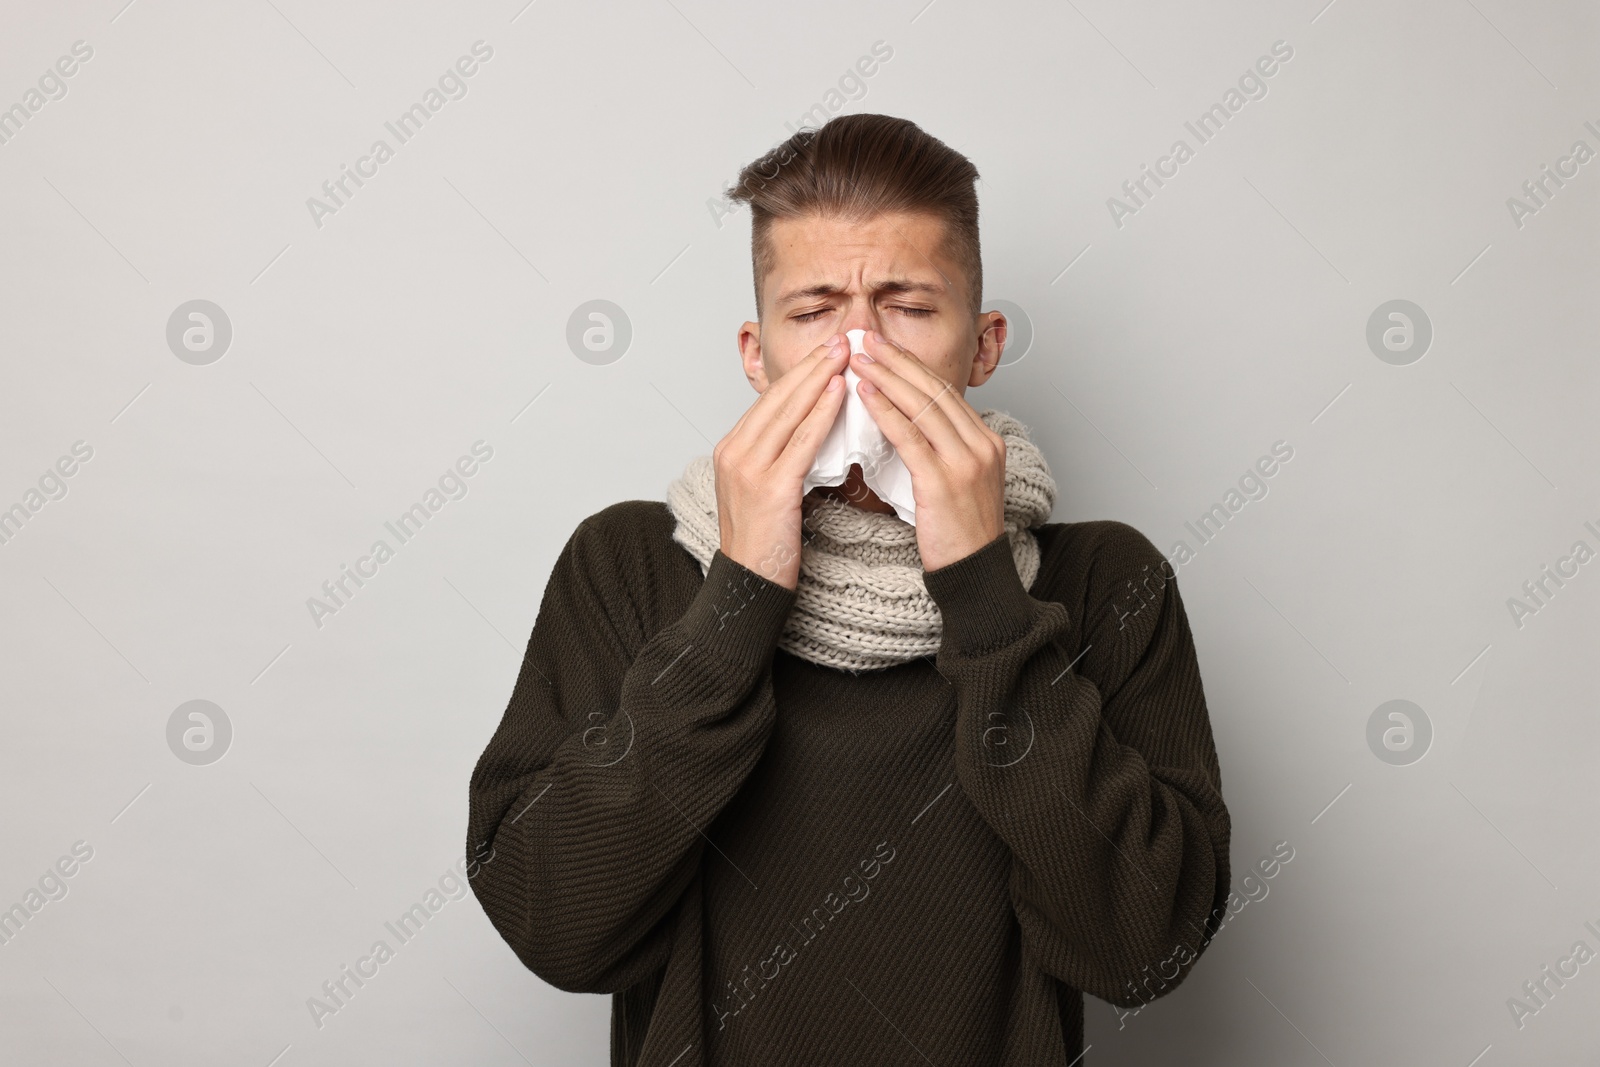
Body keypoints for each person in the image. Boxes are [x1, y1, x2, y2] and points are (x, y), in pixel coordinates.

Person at [466, 113, 1231, 1066]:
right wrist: (738, 598)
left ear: (982, 347)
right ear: (757, 354)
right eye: (816, 309)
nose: (860, 355)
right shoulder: (632, 564)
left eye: (908, 307)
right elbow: (553, 923)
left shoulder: (1103, 582)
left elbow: (1144, 950)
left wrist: (984, 592)